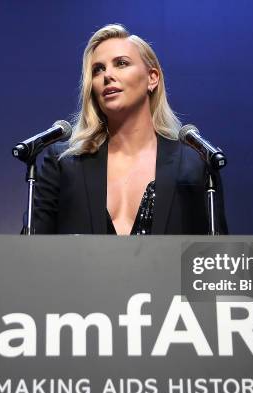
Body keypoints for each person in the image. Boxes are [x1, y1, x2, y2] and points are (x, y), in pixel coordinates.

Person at [31, 24, 228, 235]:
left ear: (152, 78)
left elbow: (214, 259)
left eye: (121, 63)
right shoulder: (63, 163)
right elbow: (34, 255)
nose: (107, 75)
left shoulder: (195, 164)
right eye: (98, 69)